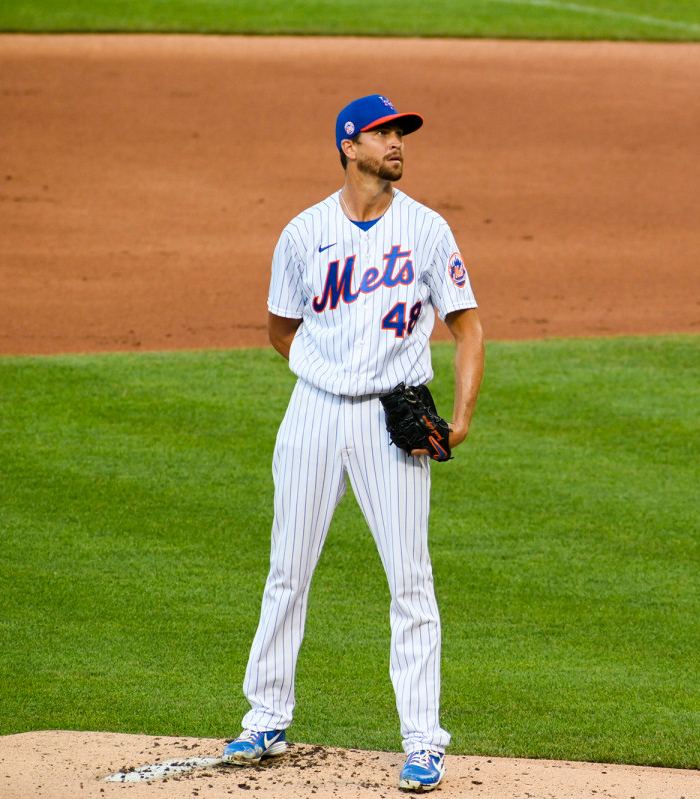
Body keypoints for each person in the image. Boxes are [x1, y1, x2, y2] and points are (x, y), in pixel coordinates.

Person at [221, 94, 485, 794]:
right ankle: (266, 716)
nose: (396, 142)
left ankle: (424, 742)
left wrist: (458, 418)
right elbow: (281, 330)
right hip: (311, 415)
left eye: (400, 132)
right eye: (382, 132)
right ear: (349, 146)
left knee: (411, 581)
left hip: (389, 425)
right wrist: (330, 376)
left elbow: (468, 328)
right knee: (287, 570)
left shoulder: (427, 230)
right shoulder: (303, 234)